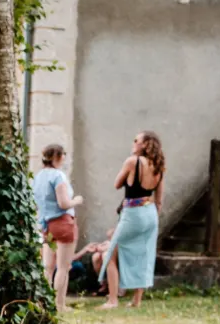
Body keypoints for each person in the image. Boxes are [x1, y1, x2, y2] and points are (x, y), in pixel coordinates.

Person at [99, 131, 165, 309]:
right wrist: (152, 216)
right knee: (143, 254)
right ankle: (136, 300)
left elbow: (117, 184)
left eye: (136, 140)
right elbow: (159, 199)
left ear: (144, 145)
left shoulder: (132, 162)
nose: (133, 143)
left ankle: (113, 299)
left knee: (109, 253)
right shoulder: (158, 165)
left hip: (133, 212)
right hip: (150, 212)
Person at [33, 144, 83, 312]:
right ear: (58, 157)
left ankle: (44, 303)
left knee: (48, 266)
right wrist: (76, 200)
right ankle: (59, 305)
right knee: (63, 267)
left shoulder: (39, 177)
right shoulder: (58, 176)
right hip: (62, 223)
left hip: (46, 225)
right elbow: (63, 203)